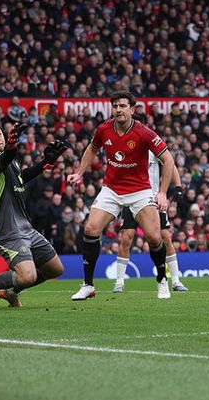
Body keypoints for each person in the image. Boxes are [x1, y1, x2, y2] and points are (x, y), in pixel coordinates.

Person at [67, 90, 175, 300]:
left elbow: (168, 160)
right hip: (112, 189)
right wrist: (79, 172)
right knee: (90, 228)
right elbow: (91, 149)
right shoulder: (104, 129)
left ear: (132, 109)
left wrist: (162, 192)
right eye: (115, 106)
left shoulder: (144, 133)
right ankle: (88, 285)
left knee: (155, 237)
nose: (118, 110)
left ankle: (162, 280)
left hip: (139, 190)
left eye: (123, 106)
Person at [0, 117, 68, 312]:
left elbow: (21, 178)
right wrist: (11, 146)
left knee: (55, 269)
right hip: (7, 231)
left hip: (25, 227)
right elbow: (2, 161)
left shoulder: (10, 160)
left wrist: (45, 163)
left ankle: (11, 292)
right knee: (28, 276)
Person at [113, 150, 188, 293]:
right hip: (131, 197)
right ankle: (119, 282)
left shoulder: (153, 148)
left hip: (153, 198)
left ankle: (176, 280)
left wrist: (178, 187)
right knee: (126, 238)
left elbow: (170, 164)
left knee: (165, 237)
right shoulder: (128, 149)